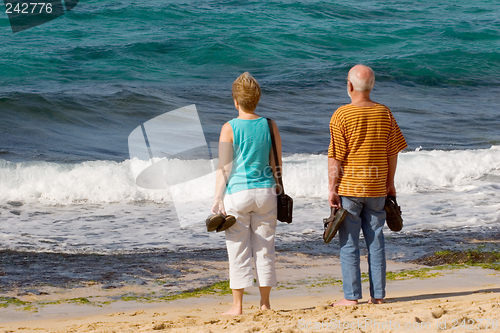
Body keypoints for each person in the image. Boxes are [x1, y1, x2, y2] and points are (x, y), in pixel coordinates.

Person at [328, 65, 407, 306]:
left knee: (349, 243)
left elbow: (336, 156)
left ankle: (351, 297)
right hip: (377, 189)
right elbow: (393, 152)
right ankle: (378, 296)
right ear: (372, 87)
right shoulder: (385, 113)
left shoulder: (341, 115)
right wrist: (390, 182)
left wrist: (332, 187)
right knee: (376, 241)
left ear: (350, 86)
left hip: (350, 189)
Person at [211, 72, 282, 315]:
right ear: (257, 99)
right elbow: (276, 163)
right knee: (265, 248)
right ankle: (265, 304)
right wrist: (279, 190)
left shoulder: (229, 128)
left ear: (235, 101)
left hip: (238, 194)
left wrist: (217, 197)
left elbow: (224, 167)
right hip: (265, 192)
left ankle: (237, 306)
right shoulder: (269, 125)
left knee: (237, 249)